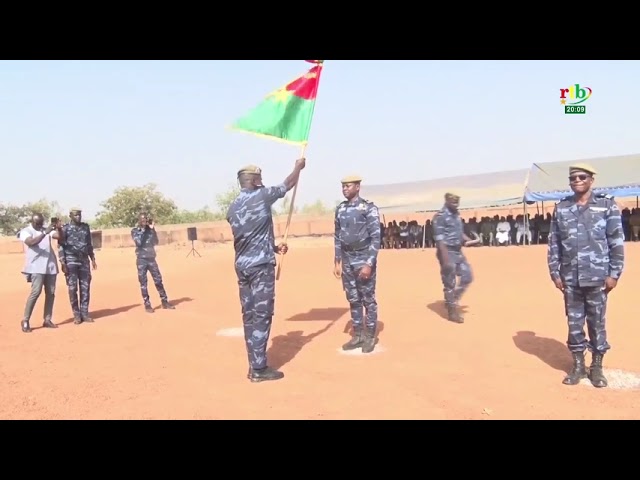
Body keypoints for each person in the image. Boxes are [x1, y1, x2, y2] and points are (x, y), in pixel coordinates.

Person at [226, 158, 305, 383]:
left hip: (242, 267)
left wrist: (273, 246)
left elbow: (247, 235)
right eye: (259, 178)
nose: (262, 181)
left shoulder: (232, 208)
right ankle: (259, 369)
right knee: (262, 315)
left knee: (249, 316)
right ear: (253, 181)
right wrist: (298, 167)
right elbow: (288, 184)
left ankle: (254, 364)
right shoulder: (261, 196)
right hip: (260, 268)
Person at [547, 163, 625, 388]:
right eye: (573, 178)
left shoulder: (606, 205)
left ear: (592, 180)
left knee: (597, 322)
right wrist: (555, 272)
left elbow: (616, 241)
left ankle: (597, 367)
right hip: (570, 277)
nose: (577, 181)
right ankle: (578, 365)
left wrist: (614, 273)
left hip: (598, 276)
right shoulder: (562, 208)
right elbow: (554, 243)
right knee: (574, 322)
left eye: (582, 177)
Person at [334, 175, 382, 353]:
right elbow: (337, 235)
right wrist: (337, 260)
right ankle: (358, 335)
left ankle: (370, 336)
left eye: (348, 186)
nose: (345, 189)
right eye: (343, 186)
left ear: (357, 187)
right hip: (347, 259)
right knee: (353, 298)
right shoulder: (340, 209)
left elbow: (376, 237)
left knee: (367, 299)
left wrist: (369, 263)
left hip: (363, 257)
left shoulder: (368, 208)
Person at [432, 193, 475, 323]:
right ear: (447, 200)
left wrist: (469, 240)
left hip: (457, 252)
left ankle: (452, 300)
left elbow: (458, 233)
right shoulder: (440, 217)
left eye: (458, 202)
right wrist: (445, 260)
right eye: (453, 202)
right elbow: (439, 240)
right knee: (449, 282)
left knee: (467, 276)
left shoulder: (456, 215)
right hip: (446, 252)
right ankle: (452, 311)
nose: (456, 204)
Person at [18, 214, 61, 333]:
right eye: (37, 223)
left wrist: (59, 228)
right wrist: (45, 232)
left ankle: (47, 319)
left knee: (51, 293)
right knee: (35, 292)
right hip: (36, 267)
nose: (39, 226)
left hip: (50, 266)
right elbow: (31, 242)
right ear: (32, 222)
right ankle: (25, 320)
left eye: (41, 223)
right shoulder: (26, 231)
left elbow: (58, 236)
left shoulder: (45, 229)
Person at [58, 207, 97, 324]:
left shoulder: (85, 227)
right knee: (72, 288)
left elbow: (89, 244)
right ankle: (76, 314)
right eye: (75, 215)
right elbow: (60, 246)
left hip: (84, 261)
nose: (78, 217)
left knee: (85, 288)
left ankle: (85, 313)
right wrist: (62, 262)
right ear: (70, 216)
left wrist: (93, 258)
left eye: (79, 215)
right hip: (71, 261)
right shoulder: (65, 229)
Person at [131, 213, 175, 313]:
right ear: (139, 221)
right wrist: (143, 230)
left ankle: (164, 301)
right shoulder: (135, 231)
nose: (144, 221)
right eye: (142, 220)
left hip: (151, 258)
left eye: (145, 219)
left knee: (158, 280)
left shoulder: (150, 230)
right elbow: (138, 243)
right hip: (141, 260)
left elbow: (156, 242)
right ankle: (147, 304)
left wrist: (152, 229)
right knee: (143, 283)